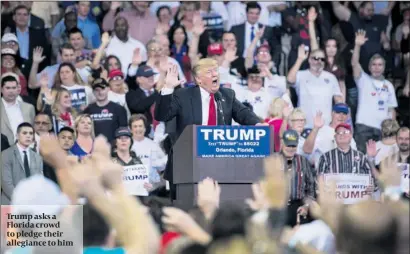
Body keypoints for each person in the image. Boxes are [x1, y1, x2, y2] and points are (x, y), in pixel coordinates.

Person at [155, 58, 262, 192]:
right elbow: (162, 115)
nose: (215, 74)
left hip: (219, 163)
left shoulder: (227, 95)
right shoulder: (183, 95)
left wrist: (258, 124)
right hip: (187, 164)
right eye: (209, 72)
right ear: (199, 79)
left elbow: (243, 113)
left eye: (216, 71)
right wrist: (168, 87)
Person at [351, 30, 398, 153]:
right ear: (369, 67)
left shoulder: (389, 85)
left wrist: (392, 130)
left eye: (380, 65)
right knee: (360, 160)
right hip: (363, 127)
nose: (377, 68)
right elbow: (354, 63)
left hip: (382, 129)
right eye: (374, 65)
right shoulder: (363, 79)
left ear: (384, 67)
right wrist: (357, 45)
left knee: (379, 163)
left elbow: (391, 109)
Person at [287, 44, 344, 127]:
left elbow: (338, 100)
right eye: (316, 58)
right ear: (309, 59)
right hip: (304, 125)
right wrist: (300, 59)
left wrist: (337, 121)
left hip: (326, 125)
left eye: (322, 59)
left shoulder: (331, 77)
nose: (319, 61)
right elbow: (289, 80)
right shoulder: (300, 75)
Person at [279, 129, 316, 227]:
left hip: (299, 206)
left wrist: (307, 206)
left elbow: (311, 187)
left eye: (293, 145)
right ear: (282, 143)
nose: (291, 148)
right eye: (288, 145)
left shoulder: (303, 161)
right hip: (278, 207)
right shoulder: (273, 160)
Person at [1, 122, 43, 205]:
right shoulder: (6, 154)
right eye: (24, 133)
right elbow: (6, 183)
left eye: (31, 133)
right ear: (17, 135)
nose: (28, 136)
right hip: (10, 203)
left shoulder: (37, 157)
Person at [84, 78, 127, 143]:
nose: (100, 92)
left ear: (108, 89)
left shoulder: (119, 109)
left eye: (102, 89)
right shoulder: (88, 110)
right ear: (93, 92)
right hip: (94, 149)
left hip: (113, 149)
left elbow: (123, 132)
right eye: (97, 90)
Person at [129, 114, 167, 185]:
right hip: (132, 187)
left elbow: (161, 166)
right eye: (135, 126)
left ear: (145, 128)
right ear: (130, 129)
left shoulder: (153, 145)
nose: (138, 129)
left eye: (140, 126)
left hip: (151, 188)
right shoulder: (125, 146)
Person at [126, 65, 160, 137]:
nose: (151, 78)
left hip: (161, 132)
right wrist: (157, 94)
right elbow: (138, 107)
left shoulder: (159, 93)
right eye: (147, 76)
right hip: (142, 134)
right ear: (139, 79)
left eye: (152, 76)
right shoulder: (132, 94)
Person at [1, 75, 35, 145]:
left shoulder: (29, 108)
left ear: (18, 89)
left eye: (14, 88)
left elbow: (33, 129)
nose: (11, 91)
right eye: (8, 88)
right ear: (1, 89)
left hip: (26, 149)